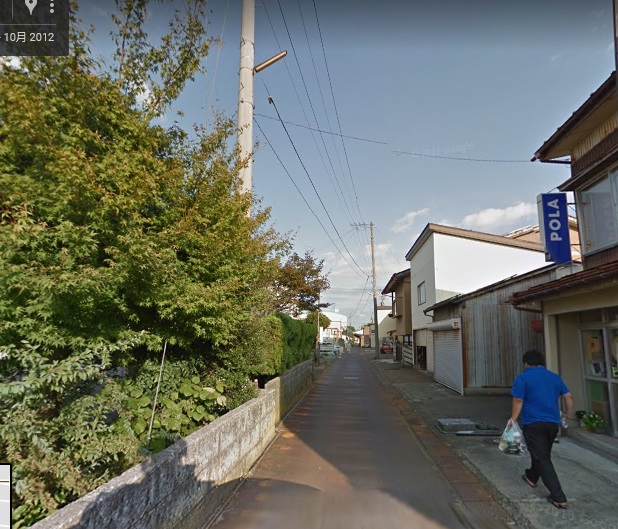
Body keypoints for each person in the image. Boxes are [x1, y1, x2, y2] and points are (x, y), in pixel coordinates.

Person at [510, 349, 574, 509]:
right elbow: (568, 396)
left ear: (526, 363)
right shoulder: (555, 377)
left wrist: (513, 419)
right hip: (553, 424)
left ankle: (558, 497)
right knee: (541, 453)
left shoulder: (523, 378)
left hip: (533, 423)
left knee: (542, 457)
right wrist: (568, 413)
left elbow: (518, 400)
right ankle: (531, 477)